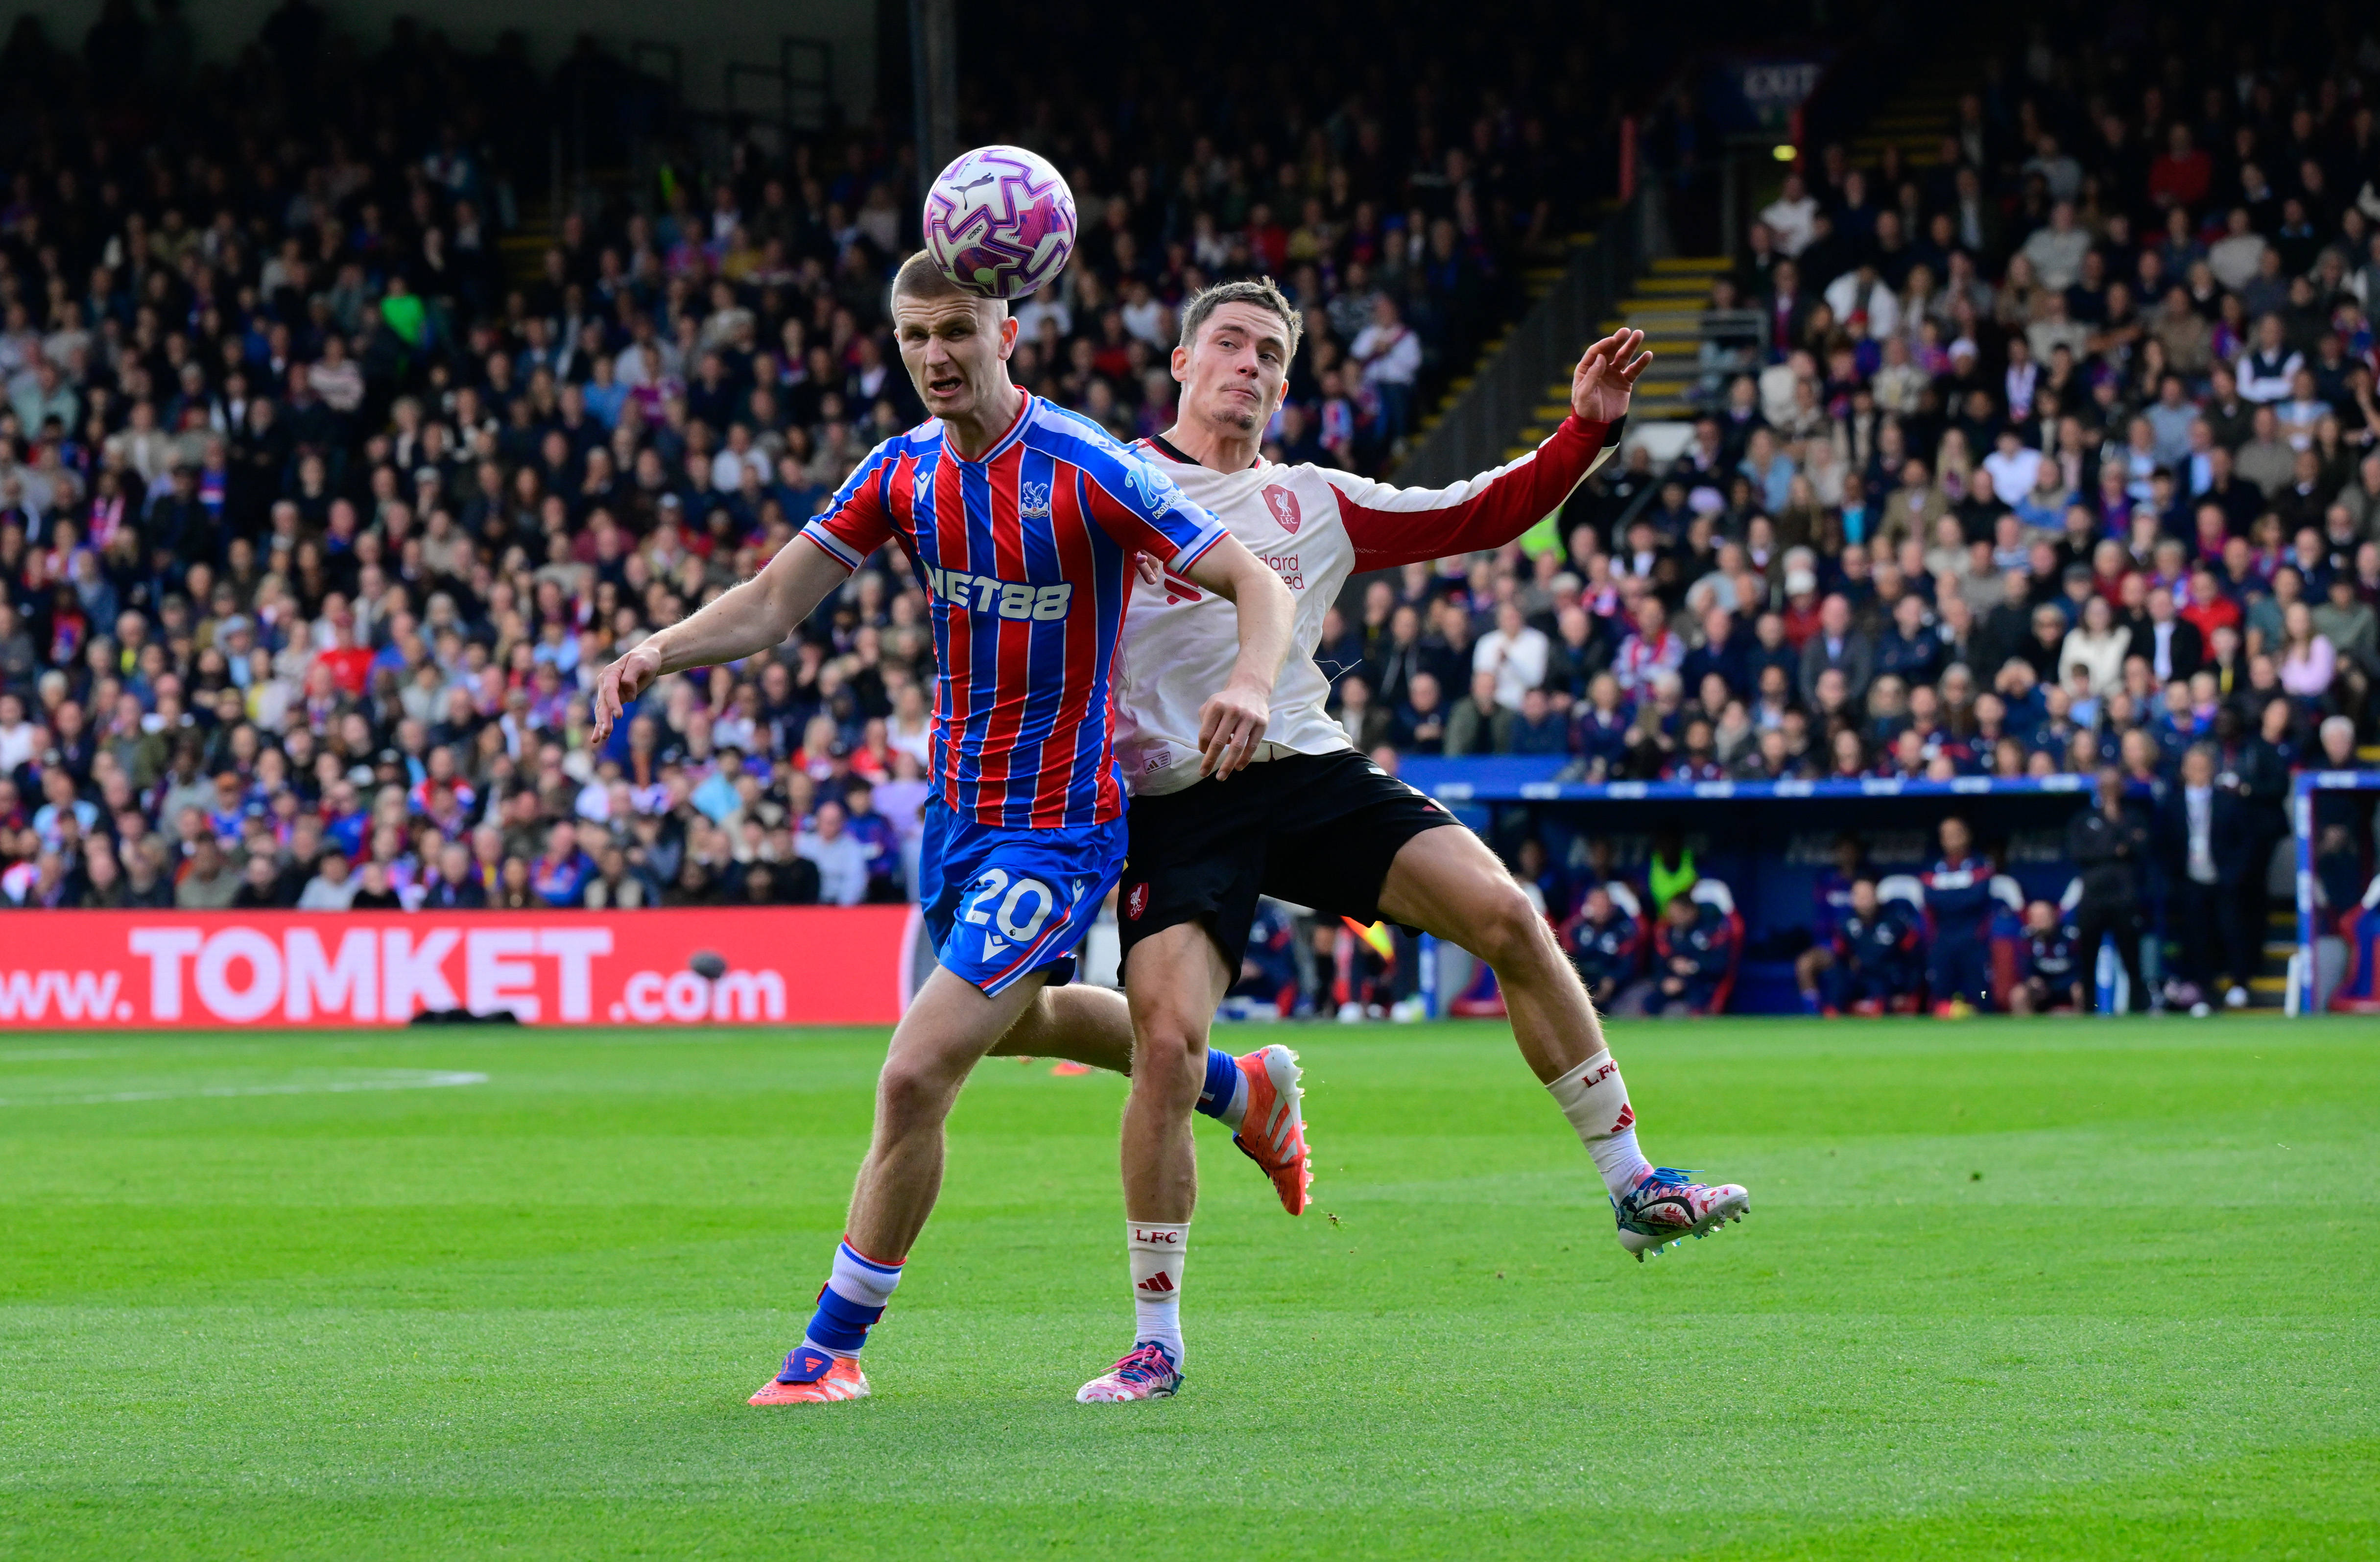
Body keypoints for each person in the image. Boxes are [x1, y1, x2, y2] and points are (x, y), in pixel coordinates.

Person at [588, 247, 1295, 1409]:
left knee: (917, 1069)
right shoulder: (903, 472)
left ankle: (830, 1348)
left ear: (1006, 333)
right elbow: (774, 600)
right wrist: (662, 645)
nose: (934, 355)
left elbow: (1257, 584)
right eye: (916, 335)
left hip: (1059, 827)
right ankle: (1237, 1089)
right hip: (956, 818)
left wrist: (1255, 681)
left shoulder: (1086, 466)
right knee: (1009, 1021)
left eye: (957, 332)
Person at [1068, 280, 1746, 1404]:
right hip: (1180, 800)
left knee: (1509, 916)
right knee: (1172, 1043)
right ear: (1181, 364)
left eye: (1270, 352)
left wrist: (1583, 429)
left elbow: (1475, 512)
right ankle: (1157, 1337)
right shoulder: (1108, 483)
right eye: (1227, 343)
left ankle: (1633, 1182)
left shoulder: (1310, 501)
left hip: (1310, 772)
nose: (1248, 363)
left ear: (1285, 383)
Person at [2156, 744, 2255, 1011]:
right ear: (2185, 771)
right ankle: (2203, 992)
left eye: (2204, 767)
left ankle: (2239, 985)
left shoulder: (2228, 801)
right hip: (2190, 881)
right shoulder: (2172, 804)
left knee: (2232, 931)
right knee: (2197, 937)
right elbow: (2165, 844)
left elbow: (2245, 841)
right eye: (2194, 768)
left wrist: (2234, 874)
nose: (2199, 773)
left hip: (2224, 880)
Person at [2066, 765, 2150, 1012]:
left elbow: (2141, 847)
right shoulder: (2084, 819)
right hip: (2093, 898)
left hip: (2125, 897)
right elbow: (2079, 853)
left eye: (2115, 785)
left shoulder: (2134, 816)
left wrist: (2114, 837)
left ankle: (2138, 1011)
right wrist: (2115, 850)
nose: (2110, 791)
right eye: (2105, 786)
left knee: (2132, 962)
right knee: (2087, 961)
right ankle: (2090, 1011)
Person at [1921, 817, 1994, 1014]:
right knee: (1940, 993)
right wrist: (1960, 896)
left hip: (1973, 938)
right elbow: (1931, 898)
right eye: (1947, 835)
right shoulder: (1932, 867)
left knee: (1982, 993)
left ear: (1967, 836)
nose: (1952, 839)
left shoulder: (1980, 864)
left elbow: (1977, 897)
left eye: (1957, 833)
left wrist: (1948, 897)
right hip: (1943, 938)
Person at [1826, 878, 1925, 1014]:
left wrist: (1907, 991)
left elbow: (1915, 959)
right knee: (1836, 977)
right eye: (1859, 896)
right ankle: (1833, 1015)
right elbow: (1840, 957)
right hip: (1861, 976)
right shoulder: (1845, 924)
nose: (1864, 901)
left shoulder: (1896, 923)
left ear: (1877, 897)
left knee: (1881, 995)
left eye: (1868, 896)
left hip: (1889, 977)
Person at [1644, 889, 1736, 1015]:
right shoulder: (1668, 932)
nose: (1674, 920)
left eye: (1678, 915)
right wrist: (1664, 981)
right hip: (1673, 983)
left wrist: (1693, 967)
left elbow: (1720, 964)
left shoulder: (1712, 929)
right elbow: (1658, 963)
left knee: (1693, 1002)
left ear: (1691, 911)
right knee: (1650, 1001)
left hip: (1703, 983)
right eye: (1672, 915)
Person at [1562, 884, 1639, 1009]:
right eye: (1595, 905)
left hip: (1614, 985)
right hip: (1581, 981)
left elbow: (1628, 963)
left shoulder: (1624, 930)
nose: (1600, 910)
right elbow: (1566, 958)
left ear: (1611, 906)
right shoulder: (1575, 929)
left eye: (1603, 905)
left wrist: (1613, 979)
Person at [2008, 900, 2082, 1014]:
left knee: (2080, 991)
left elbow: (2081, 967)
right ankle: (2024, 1030)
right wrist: (2032, 980)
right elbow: (2024, 967)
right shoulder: (2026, 938)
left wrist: (2071, 982)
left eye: (2043, 917)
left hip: (2068, 985)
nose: (2039, 921)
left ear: (2054, 916)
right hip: (2041, 987)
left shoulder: (2071, 936)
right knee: (2018, 994)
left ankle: (2081, 1028)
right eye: (2035, 917)